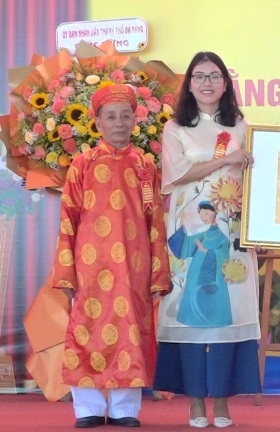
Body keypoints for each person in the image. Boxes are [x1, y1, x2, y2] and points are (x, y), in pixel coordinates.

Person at [51, 83, 171, 428]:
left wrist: (157, 273)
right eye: (110, 117)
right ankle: (87, 407)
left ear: (135, 119)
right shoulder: (82, 164)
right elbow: (67, 221)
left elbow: (154, 222)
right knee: (86, 329)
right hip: (90, 268)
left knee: (130, 330)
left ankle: (124, 409)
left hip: (132, 269)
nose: (119, 123)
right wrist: (66, 272)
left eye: (125, 116)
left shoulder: (145, 165)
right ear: (98, 122)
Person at [153, 51, 261, 429]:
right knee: (189, 315)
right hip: (189, 228)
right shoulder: (175, 127)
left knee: (231, 311)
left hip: (230, 231)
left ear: (226, 82)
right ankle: (195, 402)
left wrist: (260, 227)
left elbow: (255, 181)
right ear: (189, 83)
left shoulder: (242, 125)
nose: (207, 83)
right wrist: (223, 160)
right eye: (199, 76)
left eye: (214, 76)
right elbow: (175, 176)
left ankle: (224, 403)